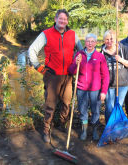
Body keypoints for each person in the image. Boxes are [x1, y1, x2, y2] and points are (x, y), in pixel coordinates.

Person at [28, 9, 83, 143]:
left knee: (66, 103)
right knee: (50, 105)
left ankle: (62, 124)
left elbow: (81, 51)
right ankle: (46, 129)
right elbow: (32, 50)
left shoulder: (73, 34)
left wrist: (78, 59)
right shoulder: (46, 34)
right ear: (55, 19)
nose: (63, 21)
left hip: (68, 76)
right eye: (60, 19)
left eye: (65, 19)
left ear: (67, 21)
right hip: (52, 76)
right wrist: (39, 67)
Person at [68, 33, 109, 141]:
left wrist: (103, 91)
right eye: (88, 41)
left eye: (92, 41)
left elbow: (105, 75)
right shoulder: (79, 55)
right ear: (84, 42)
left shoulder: (100, 56)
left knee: (95, 110)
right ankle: (84, 130)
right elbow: (71, 71)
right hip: (81, 88)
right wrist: (76, 64)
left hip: (95, 89)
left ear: (95, 43)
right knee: (82, 110)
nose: (90, 43)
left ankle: (95, 129)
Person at [101, 30, 128, 124]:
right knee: (109, 107)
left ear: (116, 40)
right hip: (109, 85)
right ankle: (109, 128)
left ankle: (116, 128)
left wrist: (120, 60)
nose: (109, 41)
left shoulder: (124, 49)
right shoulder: (102, 53)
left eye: (111, 39)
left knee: (118, 106)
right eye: (107, 39)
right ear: (104, 41)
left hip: (122, 84)